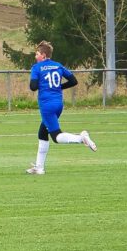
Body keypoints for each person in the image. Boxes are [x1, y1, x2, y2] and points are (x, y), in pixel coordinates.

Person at [25, 41, 96, 175]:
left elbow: (33, 87)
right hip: (58, 104)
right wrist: (58, 87)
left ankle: (81, 138)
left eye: (37, 54)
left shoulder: (37, 67)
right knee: (42, 133)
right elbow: (73, 81)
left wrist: (41, 84)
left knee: (56, 137)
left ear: (44, 55)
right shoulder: (58, 65)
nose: (36, 56)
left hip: (47, 105)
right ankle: (39, 167)